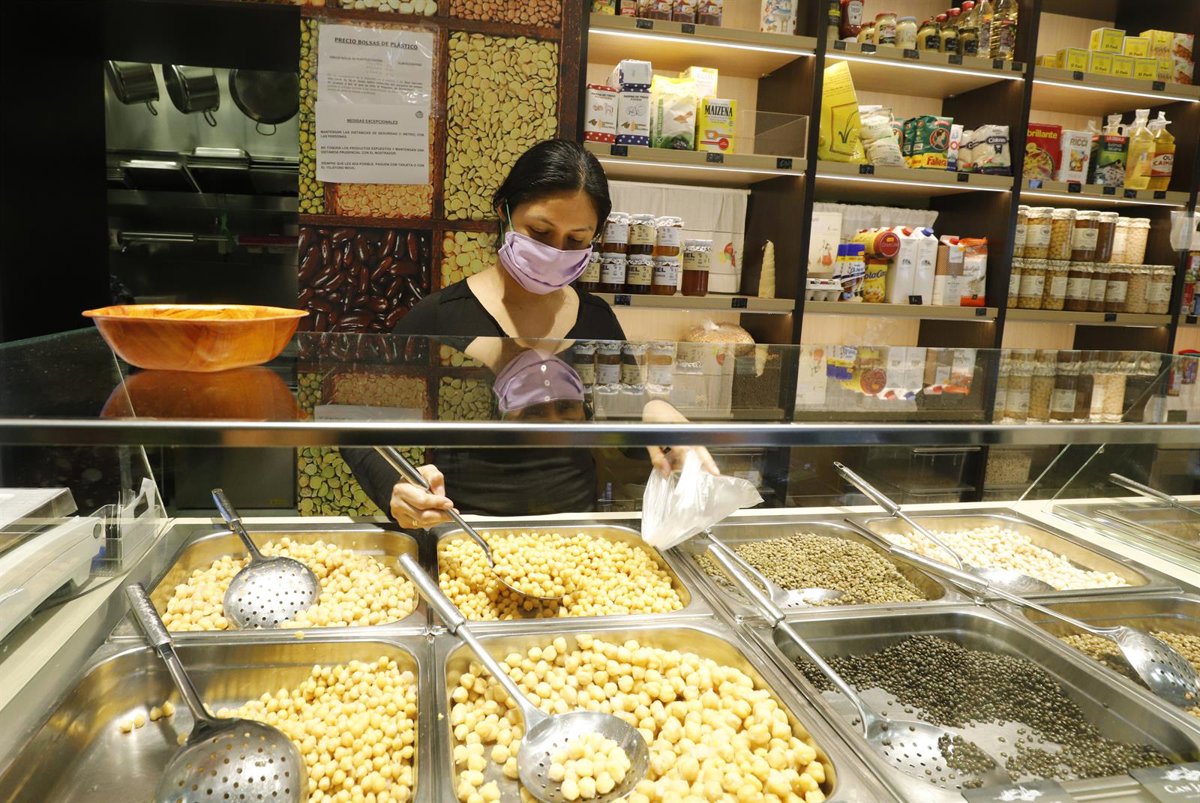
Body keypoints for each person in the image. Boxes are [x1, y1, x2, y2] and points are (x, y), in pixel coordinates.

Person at [343, 139, 715, 529]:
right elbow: (355, 419)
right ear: (504, 211)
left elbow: (628, 421)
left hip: (576, 536)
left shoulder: (597, 319)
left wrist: (659, 413)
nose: (556, 252)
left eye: (576, 240)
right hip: (463, 532)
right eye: (539, 232)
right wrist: (395, 486)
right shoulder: (440, 317)